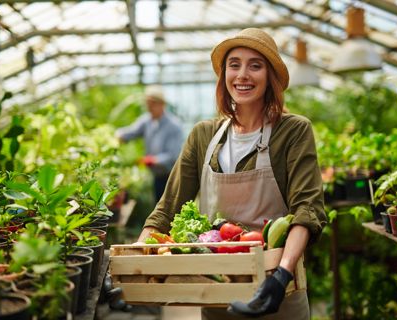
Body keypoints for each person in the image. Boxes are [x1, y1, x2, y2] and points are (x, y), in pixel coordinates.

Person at [137, 28, 327, 319]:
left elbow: (307, 210)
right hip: (216, 291)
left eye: (255, 65)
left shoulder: (293, 131)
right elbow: (167, 209)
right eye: (234, 64)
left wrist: (283, 274)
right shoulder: (203, 135)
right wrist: (135, 267)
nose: (243, 75)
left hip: (277, 291)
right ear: (224, 74)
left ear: (270, 76)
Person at [115, 85, 183, 202]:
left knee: (171, 206)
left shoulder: (174, 125)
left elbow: (173, 155)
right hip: (157, 175)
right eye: (147, 104)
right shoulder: (147, 121)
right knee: (158, 204)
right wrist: (116, 135)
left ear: (162, 104)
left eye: (152, 104)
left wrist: (153, 160)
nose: (149, 108)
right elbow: (131, 132)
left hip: (171, 176)